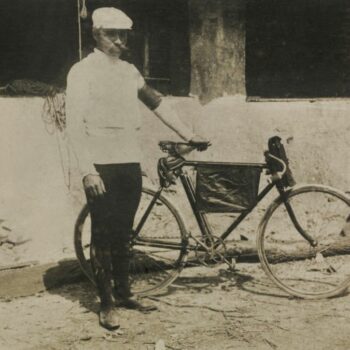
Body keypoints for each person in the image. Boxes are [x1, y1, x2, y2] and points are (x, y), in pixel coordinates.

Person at [66, 7, 208, 330]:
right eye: (111, 34)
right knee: (102, 233)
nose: (119, 41)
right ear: (96, 35)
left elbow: (157, 103)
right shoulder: (81, 72)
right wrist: (87, 170)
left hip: (128, 160)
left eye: (123, 35)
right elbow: (74, 127)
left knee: (125, 232)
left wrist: (189, 134)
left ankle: (125, 291)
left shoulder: (130, 72)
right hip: (100, 163)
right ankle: (106, 304)